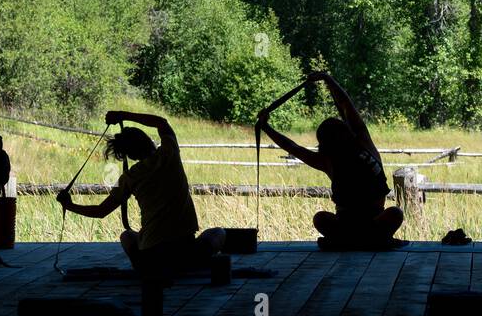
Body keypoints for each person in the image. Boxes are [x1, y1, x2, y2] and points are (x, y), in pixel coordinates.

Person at [57, 110, 225, 278]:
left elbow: (101, 211)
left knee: (127, 236)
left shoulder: (130, 177)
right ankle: (187, 264)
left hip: (151, 253)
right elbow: (161, 122)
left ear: (130, 155)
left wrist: (69, 205)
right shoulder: (169, 154)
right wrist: (123, 115)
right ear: (148, 140)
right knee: (218, 233)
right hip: (184, 249)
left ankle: (145, 266)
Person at [257, 71, 403, 249]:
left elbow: (294, 147)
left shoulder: (332, 159)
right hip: (366, 224)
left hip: (354, 226)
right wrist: (327, 79)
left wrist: (267, 127)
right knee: (393, 214)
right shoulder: (361, 144)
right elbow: (345, 106)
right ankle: (370, 240)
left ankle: (349, 241)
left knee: (323, 219)